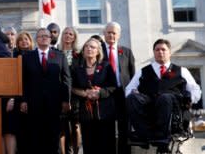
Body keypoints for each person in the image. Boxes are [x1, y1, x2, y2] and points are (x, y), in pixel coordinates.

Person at [126, 39, 201, 153]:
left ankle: (162, 136)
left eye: (163, 49)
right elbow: (128, 89)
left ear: (169, 52)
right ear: (154, 52)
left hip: (172, 107)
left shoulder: (181, 71)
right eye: (157, 50)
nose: (160, 52)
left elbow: (195, 89)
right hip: (149, 106)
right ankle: (143, 134)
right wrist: (133, 92)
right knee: (132, 98)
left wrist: (190, 99)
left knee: (165, 97)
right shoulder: (143, 71)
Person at [20, 28, 71, 154]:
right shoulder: (27, 57)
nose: (44, 38)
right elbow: (23, 80)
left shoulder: (60, 56)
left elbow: (66, 79)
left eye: (47, 36)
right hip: (34, 105)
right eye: (41, 36)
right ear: (36, 39)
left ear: (50, 39)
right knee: (36, 139)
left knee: (54, 139)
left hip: (54, 105)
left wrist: (66, 100)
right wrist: (23, 100)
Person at [71, 38, 117, 154]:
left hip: (105, 112)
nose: (89, 49)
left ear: (98, 51)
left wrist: (99, 93)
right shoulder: (77, 69)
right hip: (86, 114)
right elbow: (72, 87)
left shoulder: (106, 66)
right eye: (86, 46)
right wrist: (84, 93)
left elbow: (113, 87)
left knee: (107, 145)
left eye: (92, 47)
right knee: (89, 145)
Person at [103, 22, 135, 154]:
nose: (111, 35)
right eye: (108, 32)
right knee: (107, 128)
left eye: (114, 33)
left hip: (123, 94)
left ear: (119, 35)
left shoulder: (126, 51)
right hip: (105, 95)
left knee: (124, 129)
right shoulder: (98, 50)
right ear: (104, 34)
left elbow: (133, 74)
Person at [2, 31, 33, 154]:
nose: (24, 42)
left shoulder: (34, 55)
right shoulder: (13, 55)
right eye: (21, 40)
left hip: (29, 97)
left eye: (26, 39)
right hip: (13, 97)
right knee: (11, 130)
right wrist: (12, 98)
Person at [59, 27, 81, 154]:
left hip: (75, 95)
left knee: (75, 127)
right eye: (66, 33)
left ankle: (75, 152)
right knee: (61, 127)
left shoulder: (78, 55)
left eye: (71, 34)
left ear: (74, 37)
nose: (68, 36)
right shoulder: (56, 52)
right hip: (60, 94)